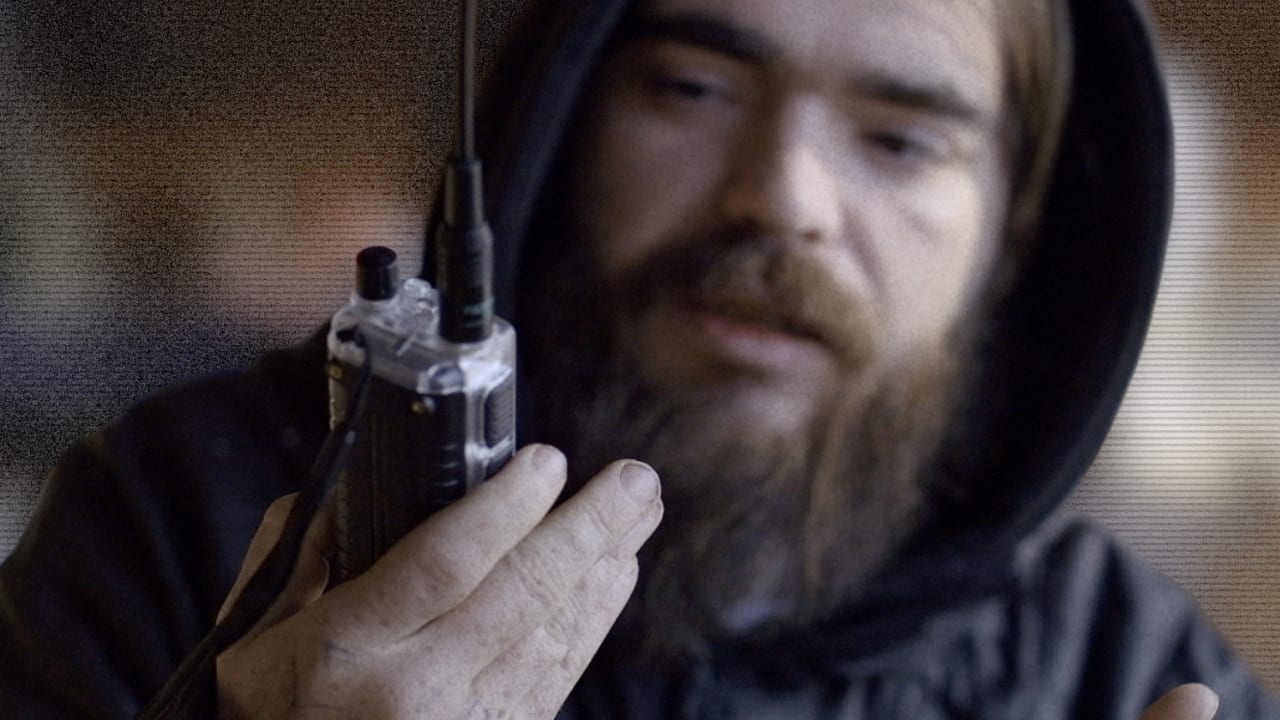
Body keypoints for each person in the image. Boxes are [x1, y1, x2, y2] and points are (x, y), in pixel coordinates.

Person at [0, 0, 1274, 717]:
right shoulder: (181, 524)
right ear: (559, 118)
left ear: (1014, 239)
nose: (781, 199)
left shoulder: (1122, 669)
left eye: (898, 141)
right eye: (692, 90)